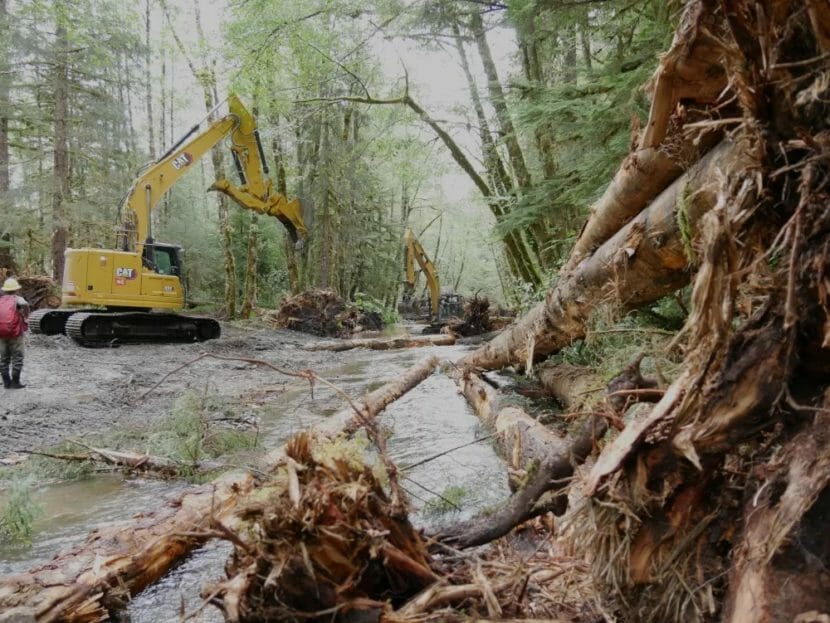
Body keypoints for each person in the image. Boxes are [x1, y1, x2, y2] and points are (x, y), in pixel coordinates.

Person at [0, 277, 29, 389]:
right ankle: (15, 382)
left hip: (1, 333)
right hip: (15, 333)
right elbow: (25, 304)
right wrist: (26, 316)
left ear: (5, 289)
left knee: (4, 358)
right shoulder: (17, 299)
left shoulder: (1, 299)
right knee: (17, 357)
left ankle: (6, 382)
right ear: (16, 289)